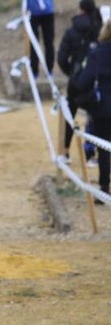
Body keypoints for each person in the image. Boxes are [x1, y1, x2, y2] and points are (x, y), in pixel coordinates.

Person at [73, 19, 111, 202]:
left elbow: (83, 81)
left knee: (104, 148)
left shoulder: (97, 53)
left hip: (103, 108)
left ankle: (104, 188)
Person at [58, 0, 101, 162]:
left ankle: (65, 152)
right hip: (95, 79)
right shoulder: (99, 30)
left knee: (70, 113)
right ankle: (90, 154)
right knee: (94, 116)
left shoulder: (71, 31)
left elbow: (62, 57)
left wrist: (71, 72)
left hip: (75, 79)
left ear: (80, 10)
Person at [28, 0, 56, 78]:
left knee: (49, 42)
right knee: (34, 43)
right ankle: (34, 71)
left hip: (47, 12)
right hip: (32, 13)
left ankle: (49, 70)